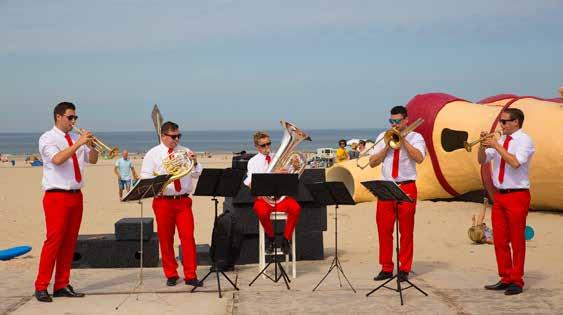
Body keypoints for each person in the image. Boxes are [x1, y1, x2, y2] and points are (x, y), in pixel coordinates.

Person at [34, 102, 98, 302]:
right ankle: (41, 286)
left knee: (70, 243)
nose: (73, 121)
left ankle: (61, 284)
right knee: (54, 241)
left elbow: (94, 160)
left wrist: (92, 146)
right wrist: (79, 143)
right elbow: (58, 159)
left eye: (75, 118)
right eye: (70, 117)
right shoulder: (48, 138)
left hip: (76, 195)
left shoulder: (74, 139)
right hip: (57, 196)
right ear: (58, 117)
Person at [478, 108, 535, 296]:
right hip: (500, 195)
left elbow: (515, 162)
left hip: (517, 194)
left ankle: (517, 280)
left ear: (516, 122)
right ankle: (505, 277)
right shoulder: (501, 140)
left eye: (504, 121)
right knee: (500, 239)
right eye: (500, 121)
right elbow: (482, 160)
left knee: (517, 240)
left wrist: (496, 146)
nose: (501, 125)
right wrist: (481, 145)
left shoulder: (524, 140)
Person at [140, 121, 203, 287]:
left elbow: (198, 173)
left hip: (183, 201)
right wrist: (162, 178)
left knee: (188, 237)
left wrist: (195, 162)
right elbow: (145, 177)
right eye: (173, 136)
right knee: (166, 238)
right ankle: (171, 273)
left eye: (178, 136)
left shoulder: (185, 151)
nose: (176, 140)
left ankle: (191, 275)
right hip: (163, 201)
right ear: (163, 136)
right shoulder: (153, 154)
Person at [368, 105, 426, 283]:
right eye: (391, 121)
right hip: (386, 187)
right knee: (384, 230)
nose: (394, 124)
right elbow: (372, 162)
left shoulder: (417, 137)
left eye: (397, 121)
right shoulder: (382, 137)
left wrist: (403, 141)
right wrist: (387, 146)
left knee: (406, 231)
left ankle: (404, 268)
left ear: (406, 120)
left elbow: (419, 158)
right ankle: (386, 268)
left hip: (406, 186)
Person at [244, 131, 301, 255]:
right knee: (262, 212)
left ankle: (286, 239)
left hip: (280, 197)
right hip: (264, 198)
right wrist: (274, 174)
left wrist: (295, 168)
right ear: (257, 147)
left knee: (295, 208)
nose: (267, 148)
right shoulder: (253, 162)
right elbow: (250, 182)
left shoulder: (278, 157)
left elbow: (289, 175)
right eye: (263, 145)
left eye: (268, 144)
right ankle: (271, 238)